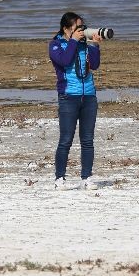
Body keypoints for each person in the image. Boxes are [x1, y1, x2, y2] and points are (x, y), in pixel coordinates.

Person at [49, 11, 103, 190]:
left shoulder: (84, 45)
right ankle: (59, 179)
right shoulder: (56, 45)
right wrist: (72, 41)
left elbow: (94, 65)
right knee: (66, 139)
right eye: (77, 28)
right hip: (68, 97)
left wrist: (94, 44)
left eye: (82, 27)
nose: (81, 31)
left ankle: (86, 178)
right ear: (66, 29)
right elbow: (64, 61)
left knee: (87, 140)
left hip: (88, 96)